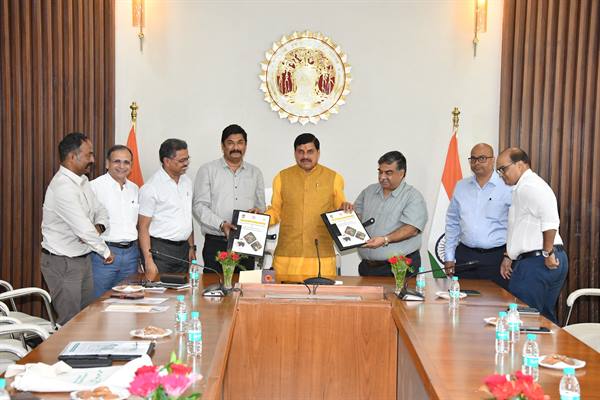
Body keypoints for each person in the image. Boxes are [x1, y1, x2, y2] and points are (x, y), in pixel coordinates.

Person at [40, 132, 114, 325]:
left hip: (83, 258)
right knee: (70, 322)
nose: (93, 160)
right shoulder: (63, 187)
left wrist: (97, 228)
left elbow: (101, 211)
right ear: (73, 157)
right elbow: (83, 228)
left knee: (86, 317)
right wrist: (105, 252)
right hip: (63, 262)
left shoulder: (83, 181)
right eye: (89, 154)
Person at [496, 147, 568, 323]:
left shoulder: (529, 187)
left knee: (522, 319)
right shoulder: (524, 187)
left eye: (503, 169)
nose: (501, 174)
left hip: (538, 262)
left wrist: (548, 253)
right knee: (544, 320)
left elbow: (551, 220)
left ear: (520, 165)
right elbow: (522, 227)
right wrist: (509, 255)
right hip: (543, 260)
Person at [266, 133, 347, 277]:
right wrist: (258, 219)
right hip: (287, 256)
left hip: (320, 257)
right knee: (283, 291)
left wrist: (346, 212)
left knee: (320, 292)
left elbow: (340, 211)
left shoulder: (334, 178)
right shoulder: (282, 177)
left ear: (318, 153)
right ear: (295, 153)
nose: (305, 156)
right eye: (300, 152)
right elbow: (275, 212)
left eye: (310, 151)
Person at [193, 124, 265, 272]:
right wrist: (221, 224)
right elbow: (199, 207)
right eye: (230, 143)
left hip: (246, 243)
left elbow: (261, 206)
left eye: (240, 143)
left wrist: (257, 213)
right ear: (223, 146)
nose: (236, 147)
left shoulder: (255, 173)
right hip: (216, 243)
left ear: (245, 145)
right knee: (214, 285)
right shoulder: (208, 170)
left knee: (244, 285)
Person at [444, 143, 512, 288]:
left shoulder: (507, 186)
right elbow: (452, 222)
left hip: (496, 258)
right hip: (465, 256)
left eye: (482, 158)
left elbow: (516, 224)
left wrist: (509, 256)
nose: (476, 163)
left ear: (493, 160)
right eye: (473, 159)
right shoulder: (461, 186)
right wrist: (449, 256)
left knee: (495, 300)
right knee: (463, 298)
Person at [351, 151, 428, 276]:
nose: (382, 177)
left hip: (399, 268)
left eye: (388, 173)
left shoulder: (412, 196)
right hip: (368, 267)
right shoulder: (369, 191)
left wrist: (385, 239)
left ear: (402, 173)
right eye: (380, 172)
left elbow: (412, 229)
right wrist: (345, 214)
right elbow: (355, 218)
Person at [138, 139, 195, 280]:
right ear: (167, 161)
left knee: (182, 290)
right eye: (181, 160)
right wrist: (148, 260)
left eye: (187, 159)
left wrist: (191, 247)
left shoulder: (187, 182)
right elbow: (143, 227)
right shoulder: (151, 187)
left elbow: (187, 217)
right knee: (160, 290)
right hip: (160, 251)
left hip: (183, 250)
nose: (186, 163)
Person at [90, 145, 140, 297]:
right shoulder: (94, 187)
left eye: (126, 162)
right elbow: (87, 225)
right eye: (117, 161)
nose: (122, 166)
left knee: (126, 301)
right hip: (104, 254)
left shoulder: (135, 189)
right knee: (99, 301)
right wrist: (102, 250)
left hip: (131, 255)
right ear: (107, 163)